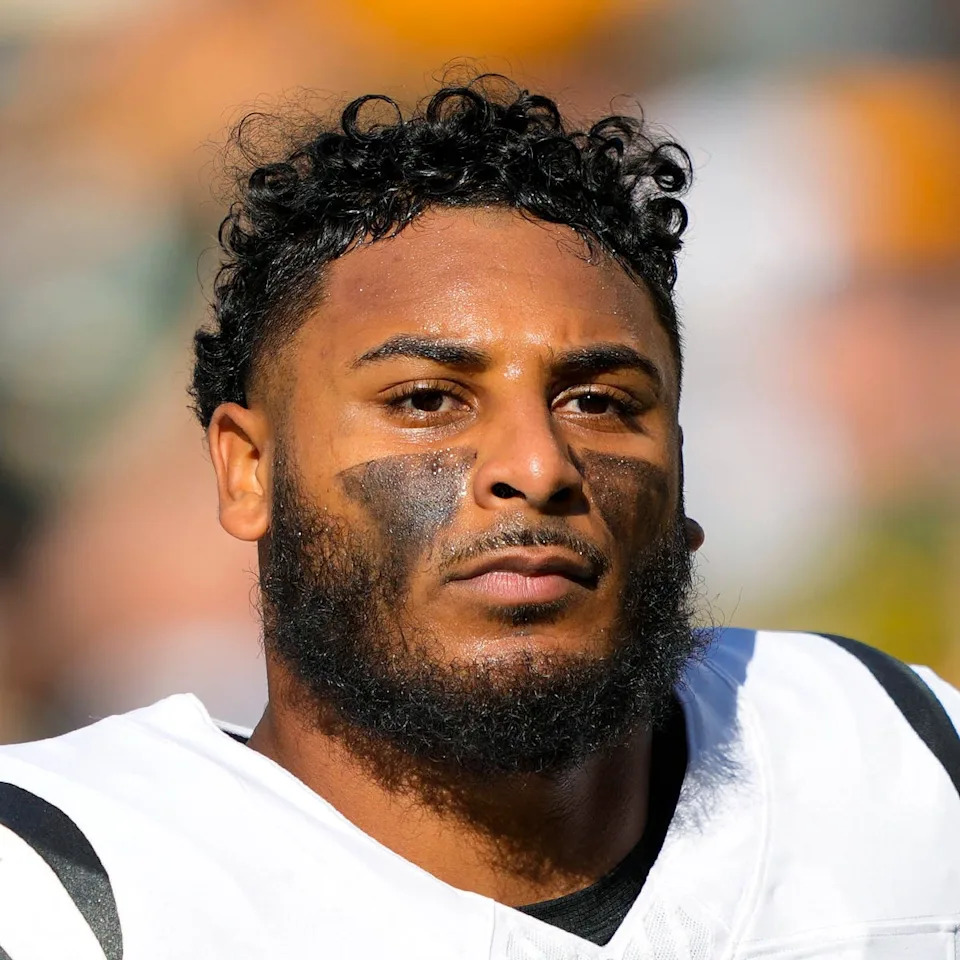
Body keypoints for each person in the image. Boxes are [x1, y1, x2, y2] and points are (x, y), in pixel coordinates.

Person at [0, 76, 957, 960]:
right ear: (248, 470)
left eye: (600, 401)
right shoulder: (61, 890)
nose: (536, 467)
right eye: (425, 400)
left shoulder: (897, 754)